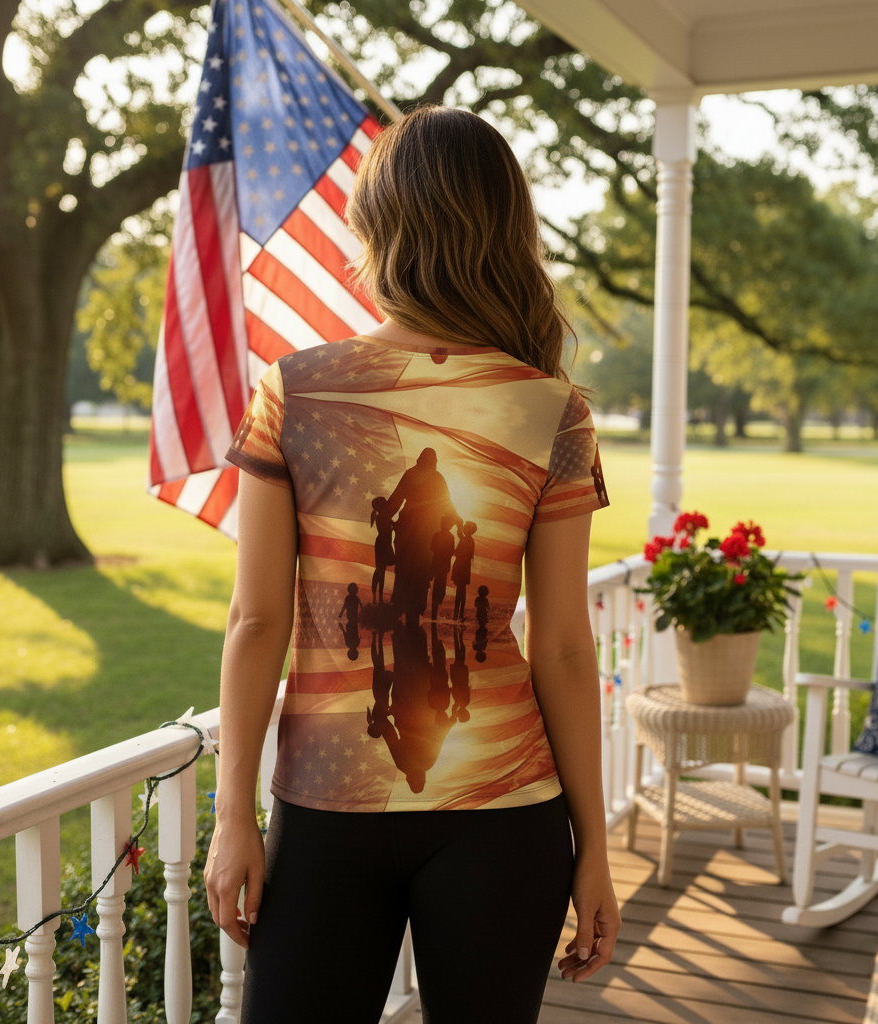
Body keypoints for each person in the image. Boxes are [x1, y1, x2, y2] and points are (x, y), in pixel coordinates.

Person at [205, 105, 620, 1024]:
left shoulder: (294, 388)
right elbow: (559, 646)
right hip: (510, 814)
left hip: (325, 808)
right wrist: (592, 846)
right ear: (508, 231)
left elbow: (256, 620)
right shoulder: (553, 408)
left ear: (382, 227)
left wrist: (233, 815)